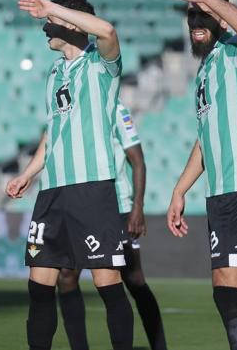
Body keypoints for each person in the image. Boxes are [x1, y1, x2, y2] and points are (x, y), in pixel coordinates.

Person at [5, 0, 133, 350]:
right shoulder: (54, 72)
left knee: (108, 285)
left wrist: (54, 9)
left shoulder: (101, 64)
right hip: (52, 192)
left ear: (73, 24)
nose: (45, 27)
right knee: (39, 288)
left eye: (52, 21)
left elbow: (106, 30)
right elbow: (53, 130)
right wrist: (29, 172)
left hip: (91, 189)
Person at [160, 0, 237, 350]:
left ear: (222, 17)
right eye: (192, 14)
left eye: (204, 12)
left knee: (230, 293)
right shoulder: (207, 68)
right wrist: (180, 190)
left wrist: (211, 0)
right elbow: (205, 140)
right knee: (228, 294)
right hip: (222, 192)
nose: (196, 19)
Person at [56, 100, 168, 350]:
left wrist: (137, 207)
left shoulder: (115, 109)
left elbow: (137, 160)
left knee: (134, 280)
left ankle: (159, 346)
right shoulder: (71, 112)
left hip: (117, 207)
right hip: (81, 208)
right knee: (66, 275)